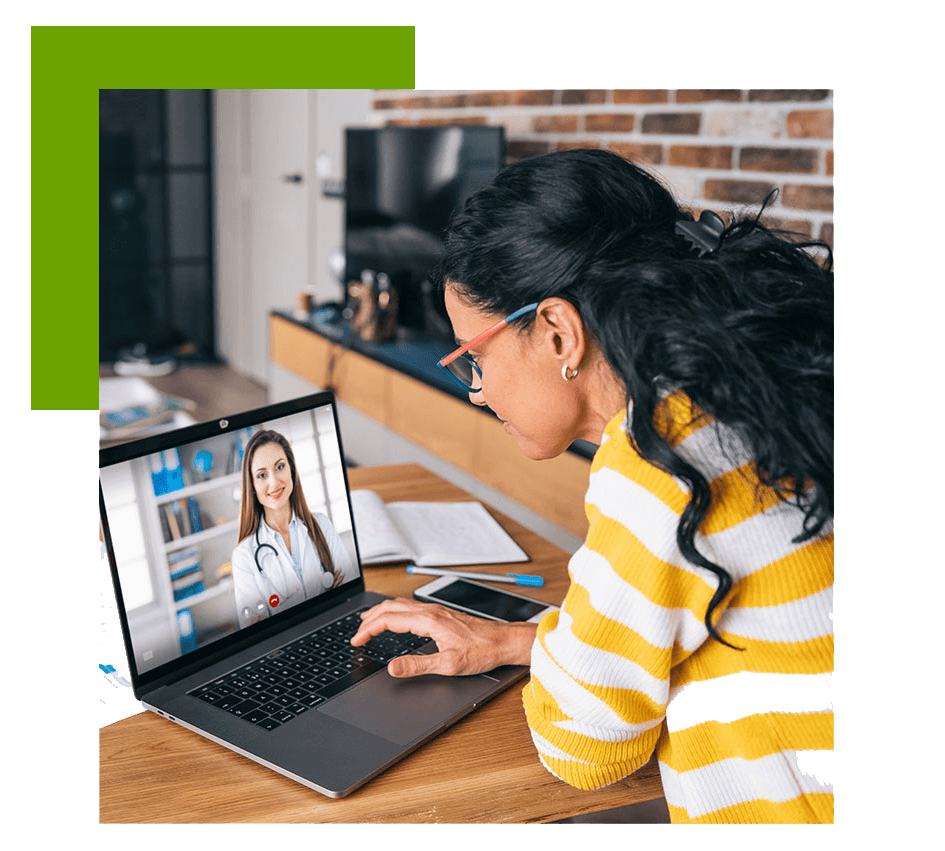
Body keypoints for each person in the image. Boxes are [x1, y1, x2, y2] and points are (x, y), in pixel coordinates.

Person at [351, 149, 833, 823]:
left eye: (476, 357)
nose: (480, 392)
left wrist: (558, 656)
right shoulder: (742, 392)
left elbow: (580, 747)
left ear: (556, 331)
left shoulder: (661, 462)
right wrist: (520, 642)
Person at [232, 429, 357, 628]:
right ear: (252, 486)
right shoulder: (244, 557)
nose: (274, 482)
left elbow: (350, 597)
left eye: (280, 467)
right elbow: (256, 632)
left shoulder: (321, 525)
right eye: (262, 475)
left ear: (291, 470)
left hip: (337, 632)